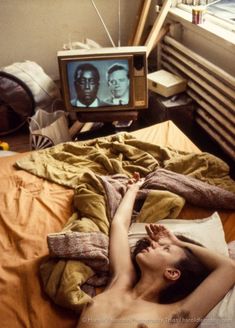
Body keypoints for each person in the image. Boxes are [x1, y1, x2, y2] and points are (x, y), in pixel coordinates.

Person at [77, 173, 235, 328]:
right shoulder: (121, 280)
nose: (153, 244)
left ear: (172, 273)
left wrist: (178, 242)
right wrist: (133, 189)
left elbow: (229, 268)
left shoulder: (174, 316)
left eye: (165, 248)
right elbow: (120, 225)